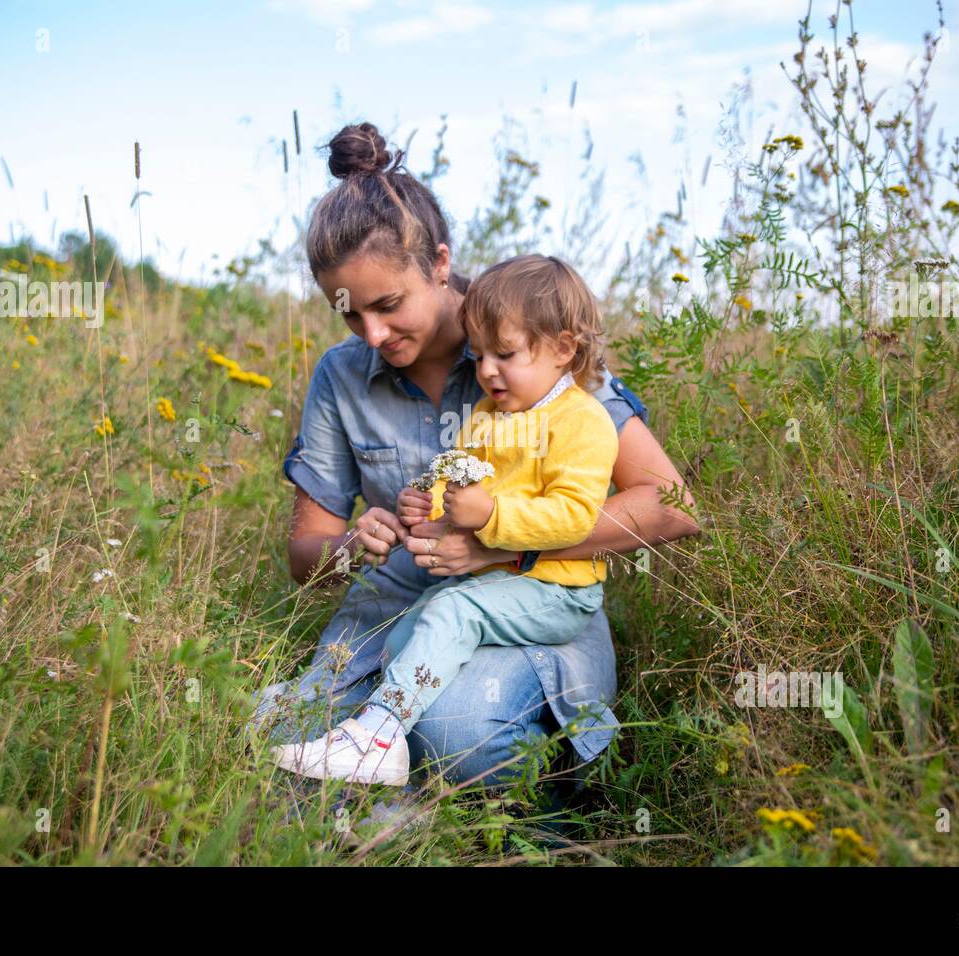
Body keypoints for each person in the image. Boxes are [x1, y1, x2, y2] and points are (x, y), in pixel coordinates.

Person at [251, 121, 699, 794]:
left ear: (438, 261)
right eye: (350, 315)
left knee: (460, 731)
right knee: (273, 732)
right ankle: (394, 815)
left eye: (389, 305)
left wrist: (499, 549)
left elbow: (669, 505)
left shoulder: (531, 344)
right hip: (393, 615)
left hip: (534, 606)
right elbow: (305, 557)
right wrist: (353, 543)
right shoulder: (340, 378)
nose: (373, 334)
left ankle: (548, 830)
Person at [272, 255, 620, 785]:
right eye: (477, 355)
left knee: (452, 611)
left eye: (503, 355)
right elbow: (454, 473)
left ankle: (381, 736)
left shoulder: (582, 421)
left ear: (564, 349)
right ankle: (381, 741)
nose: (484, 371)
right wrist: (426, 503)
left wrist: (491, 518)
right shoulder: (488, 413)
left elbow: (575, 517)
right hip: (495, 582)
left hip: (558, 589)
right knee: (405, 636)